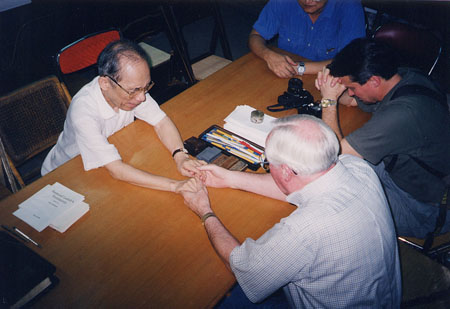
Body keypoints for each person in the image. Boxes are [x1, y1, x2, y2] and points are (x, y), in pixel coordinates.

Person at [182, 115, 401, 307]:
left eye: (269, 163)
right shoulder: (358, 168)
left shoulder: (303, 229)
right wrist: (230, 178)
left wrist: (204, 211)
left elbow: (242, 268)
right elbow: (298, 188)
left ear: (286, 171)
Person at [315, 38, 450, 239]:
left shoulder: (402, 116)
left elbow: (334, 156)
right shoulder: (404, 77)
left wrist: (328, 100)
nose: (350, 92)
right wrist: (335, 88)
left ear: (374, 81)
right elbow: (355, 101)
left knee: (329, 192)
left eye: (351, 87)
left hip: (424, 210)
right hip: (409, 175)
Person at [42, 40, 204, 193]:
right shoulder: (83, 111)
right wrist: (175, 186)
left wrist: (180, 156)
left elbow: (161, 122)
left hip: (112, 151)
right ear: (105, 84)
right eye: (134, 90)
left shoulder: (131, 89)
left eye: (146, 87)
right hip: (66, 174)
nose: (142, 98)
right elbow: (117, 170)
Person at [249, 0, 365, 78]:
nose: (307, 1)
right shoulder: (282, 2)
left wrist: (298, 68)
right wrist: (268, 55)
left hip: (329, 78)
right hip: (283, 76)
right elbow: (255, 36)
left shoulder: (349, 5)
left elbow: (351, 59)